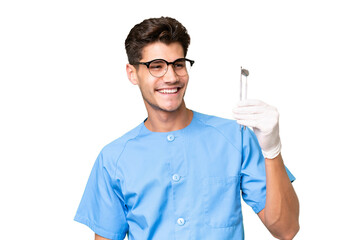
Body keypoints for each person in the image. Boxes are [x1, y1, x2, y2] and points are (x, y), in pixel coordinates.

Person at [74, 17, 299, 240]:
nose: (171, 77)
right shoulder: (113, 159)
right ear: (132, 73)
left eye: (178, 64)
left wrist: (272, 150)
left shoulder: (234, 137)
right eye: (157, 66)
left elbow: (286, 229)